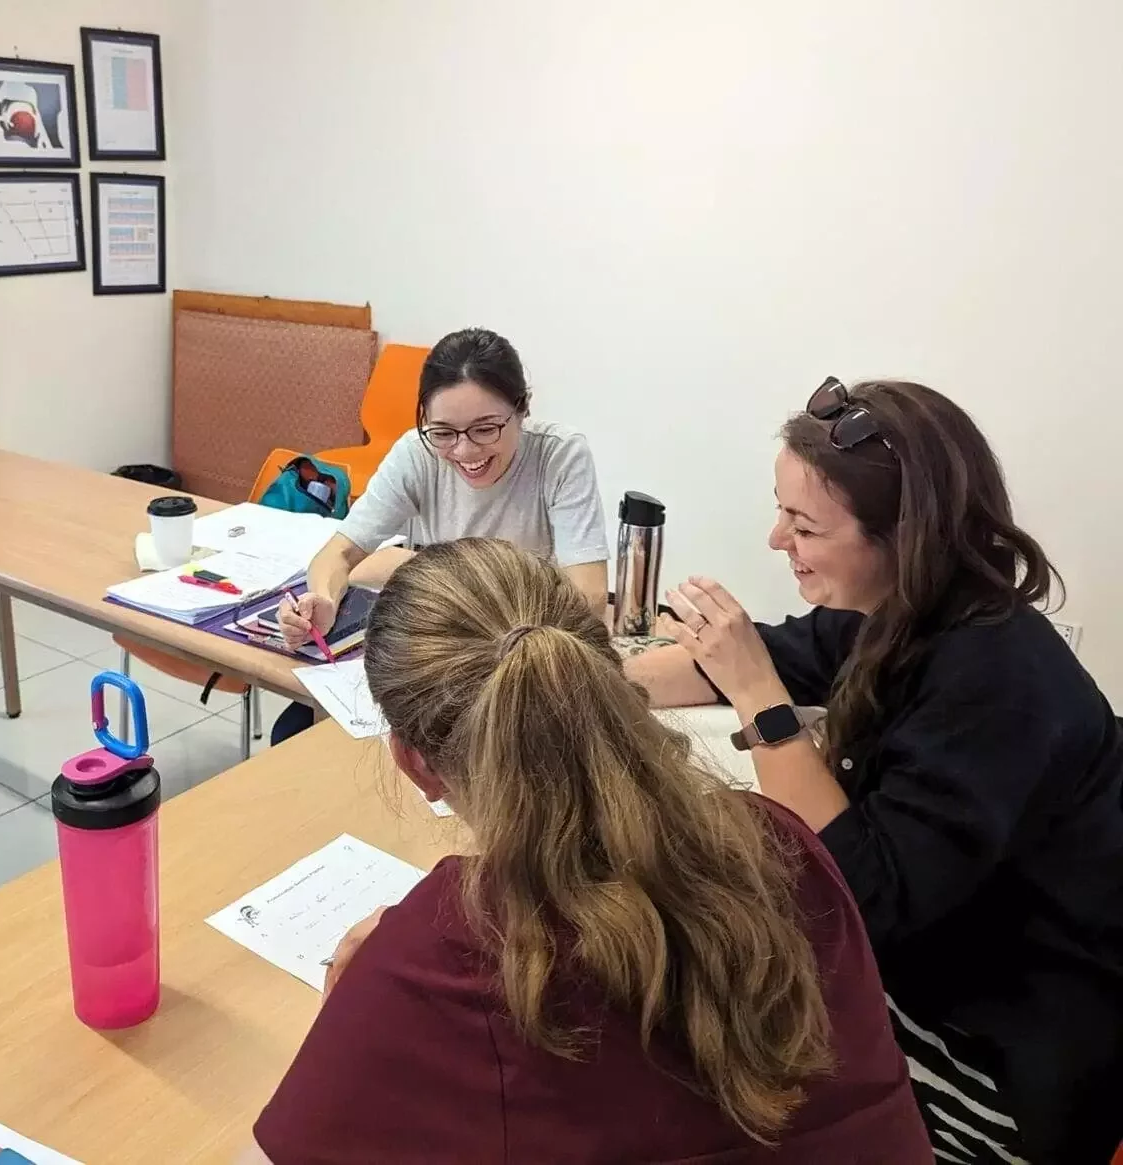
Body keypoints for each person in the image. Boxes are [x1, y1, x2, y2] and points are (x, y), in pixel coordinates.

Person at [245, 539, 929, 1163]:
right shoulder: (787, 847)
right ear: (612, 684)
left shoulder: (448, 957)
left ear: (415, 763)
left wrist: (377, 1000)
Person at [627, 379, 1123, 1163]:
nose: (775, 539)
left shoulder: (999, 680)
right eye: (780, 509)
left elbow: (858, 894)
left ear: (903, 536)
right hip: (914, 962)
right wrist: (593, 681)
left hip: (1003, 1054)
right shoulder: (899, 610)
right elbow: (765, 656)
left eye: (804, 524)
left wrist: (758, 693)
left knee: (674, 1055)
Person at [271, 327, 609, 744]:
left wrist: (428, 572)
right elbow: (338, 555)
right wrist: (323, 599)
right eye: (444, 432)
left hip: (521, 660)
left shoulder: (559, 455)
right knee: (301, 734)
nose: (465, 452)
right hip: (442, 653)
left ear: (522, 409)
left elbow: (589, 600)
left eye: (486, 429)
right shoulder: (417, 452)